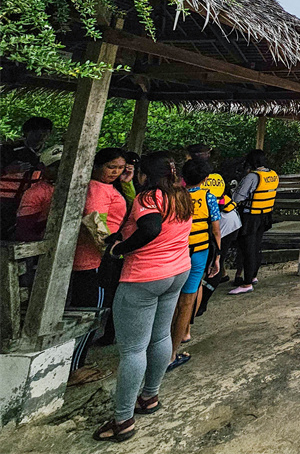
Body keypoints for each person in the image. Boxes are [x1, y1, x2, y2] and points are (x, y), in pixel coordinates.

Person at [92, 152, 192, 443]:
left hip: (144, 276)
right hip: (178, 271)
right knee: (160, 337)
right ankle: (150, 397)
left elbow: (150, 227)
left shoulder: (148, 199)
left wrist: (118, 249)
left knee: (133, 350)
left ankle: (122, 420)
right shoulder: (181, 195)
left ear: (144, 175)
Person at [68, 147, 128, 385]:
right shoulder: (96, 188)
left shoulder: (108, 187)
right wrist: (109, 249)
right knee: (91, 313)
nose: (115, 172)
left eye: (120, 168)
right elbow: (95, 220)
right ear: (97, 165)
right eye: (110, 167)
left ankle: (77, 363)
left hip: (96, 257)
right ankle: (75, 368)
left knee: (93, 310)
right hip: (94, 259)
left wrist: (126, 182)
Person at [168, 159, 221, 368]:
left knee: (171, 297)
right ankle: (178, 342)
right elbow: (216, 230)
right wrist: (216, 256)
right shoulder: (208, 197)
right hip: (199, 252)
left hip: (174, 252)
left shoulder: (173, 197)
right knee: (188, 298)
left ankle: (166, 340)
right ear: (205, 179)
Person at [229, 150, 278, 295]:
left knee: (248, 248)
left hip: (250, 216)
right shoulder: (272, 175)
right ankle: (253, 276)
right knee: (256, 246)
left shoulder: (252, 176)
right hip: (265, 216)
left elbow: (238, 198)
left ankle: (246, 283)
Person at [1, 116, 53, 239]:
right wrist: (6, 170)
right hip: (5, 202)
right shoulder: (7, 150)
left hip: (34, 203)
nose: (40, 136)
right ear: (26, 132)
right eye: (36, 131)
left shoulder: (50, 154)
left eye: (45, 132)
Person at [14, 145, 63, 242]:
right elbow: (23, 232)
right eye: (54, 166)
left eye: (63, 164)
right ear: (42, 168)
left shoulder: (77, 187)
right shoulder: (35, 193)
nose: (60, 169)